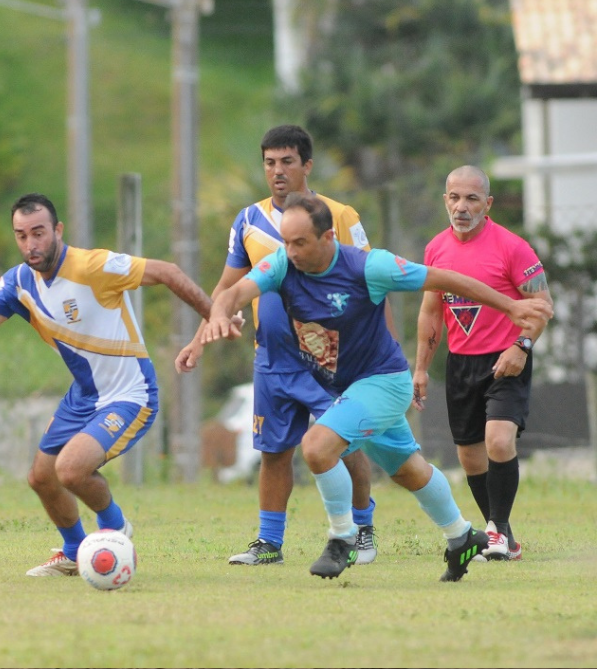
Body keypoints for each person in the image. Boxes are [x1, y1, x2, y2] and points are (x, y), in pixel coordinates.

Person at [202, 193, 552, 582]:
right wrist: (220, 312)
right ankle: (461, 537)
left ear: (328, 237)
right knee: (408, 471)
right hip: (348, 387)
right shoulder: (282, 264)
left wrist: (510, 306)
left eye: (300, 242)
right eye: (286, 241)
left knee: (317, 447)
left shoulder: (369, 267)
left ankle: (342, 538)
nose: (291, 250)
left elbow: (445, 279)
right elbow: (235, 291)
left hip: (384, 382)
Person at [0, 193, 217, 577]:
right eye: (21, 236)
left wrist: (215, 316)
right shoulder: (18, 281)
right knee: (41, 477)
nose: (31, 245)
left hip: (130, 395)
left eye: (39, 233)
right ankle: (73, 551)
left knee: (70, 470)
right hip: (84, 396)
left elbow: (167, 271)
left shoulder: (92, 266)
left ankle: (116, 531)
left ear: (57, 230)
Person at [176, 125, 385, 567]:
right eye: (270, 163)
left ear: (307, 165)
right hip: (272, 359)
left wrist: (376, 355)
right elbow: (227, 287)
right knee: (273, 450)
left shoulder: (339, 215)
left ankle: (363, 529)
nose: (277, 171)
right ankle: (269, 543)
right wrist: (198, 340)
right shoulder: (248, 221)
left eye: (287, 161)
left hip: (331, 357)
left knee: (343, 444)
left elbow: (372, 284)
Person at [413, 166, 551, 562]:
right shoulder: (436, 249)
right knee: (470, 457)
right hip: (461, 364)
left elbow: (543, 306)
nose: (462, 206)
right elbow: (430, 311)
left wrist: (521, 346)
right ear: (445, 200)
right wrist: (421, 368)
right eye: (454, 198)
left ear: (487, 204)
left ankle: (497, 533)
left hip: (506, 360)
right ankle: (501, 532)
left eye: (472, 198)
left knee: (499, 441)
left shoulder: (512, 247)